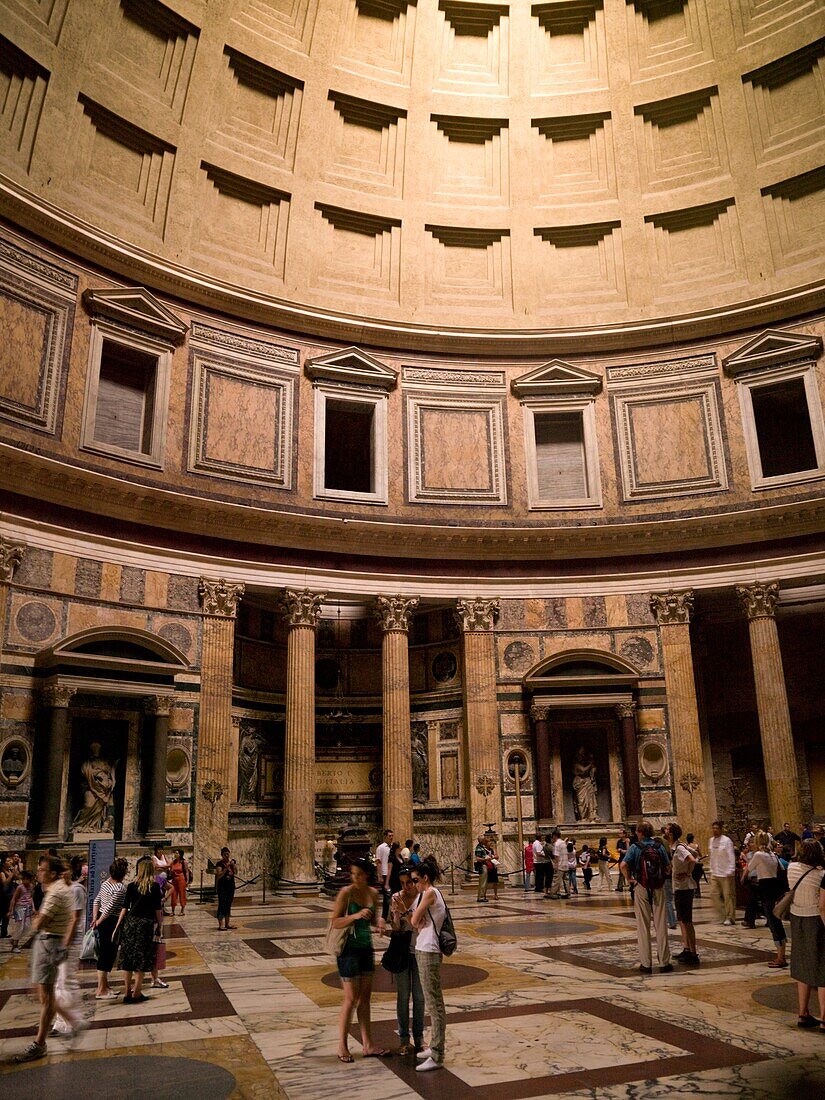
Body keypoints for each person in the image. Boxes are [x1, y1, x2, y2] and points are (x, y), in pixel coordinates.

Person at [14, 856, 78, 1062]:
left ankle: (40, 1043)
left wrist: (34, 925)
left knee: (47, 996)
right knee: (44, 994)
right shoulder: (59, 889)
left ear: (52, 873)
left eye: (42, 869)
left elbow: (41, 922)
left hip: (49, 942)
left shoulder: (56, 892)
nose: (38, 872)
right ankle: (69, 1022)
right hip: (51, 941)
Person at [330, 857, 388, 1062]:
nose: (356, 878)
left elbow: (372, 920)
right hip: (348, 950)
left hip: (366, 948)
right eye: (353, 874)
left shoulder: (373, 893)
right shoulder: (346, 893)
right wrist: (354, 916)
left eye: (359, 874)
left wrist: (379, 922)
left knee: (365, 999)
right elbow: (336, 922)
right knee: (351, 999)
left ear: (367, 875)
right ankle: (342, 1046)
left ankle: (368, 1044)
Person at [621, 821, 673, 975]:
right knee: (661, 923)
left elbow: (623, 865)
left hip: (641, 886)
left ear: (640, 832)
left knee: (643, 925)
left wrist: (629, 879)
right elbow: (668, 867)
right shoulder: (659, 847)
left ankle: (646, 963)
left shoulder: (635, 847)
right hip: (658, 886)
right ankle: (664, 962)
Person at [411, 857, 447, 1072]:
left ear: (425, 878)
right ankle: (433, 1046)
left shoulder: (430, 892)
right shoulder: (430, 893)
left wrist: (417, 918)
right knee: (430, 1001)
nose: (414, 884)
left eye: (416, 880)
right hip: (423, 948)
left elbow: (415, 921)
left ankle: (437, 1054)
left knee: (435, 1005)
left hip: (429, 950)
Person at [787, 839, 825, 1029]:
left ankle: (803, 1013)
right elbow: (822, 905)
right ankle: (824, 1016)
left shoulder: (791, 868)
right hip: (815, 919)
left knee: (802, 963)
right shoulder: (820, 874)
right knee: (822, 966)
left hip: (796, 917)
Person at [113, 857, 163, 1003]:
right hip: (144, 924)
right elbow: (157, 910)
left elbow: (124, 908)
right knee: (141, 958)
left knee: (128, 957)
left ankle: (127, 992)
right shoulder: (153, 887)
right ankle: (137, 992)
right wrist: (160, 926)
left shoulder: (131, 886)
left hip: (130, 923)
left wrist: (118, 925)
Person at [389, 866, 424, 1055]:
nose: (406, 887)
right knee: (403, 996)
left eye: (409, 882)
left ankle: (419, 1038)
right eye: (402, 883)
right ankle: (403, 1038)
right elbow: (395, 928)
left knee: (419, 997)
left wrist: (404, 911)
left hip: (419, 950)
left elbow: (418, 925)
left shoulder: (422, 897)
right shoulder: (396, 897)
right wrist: (396, 915)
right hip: (402, 952)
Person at [52, 856, 87, 1037]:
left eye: (65, 871)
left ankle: (73, 1020)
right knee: (59, 982)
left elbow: (75, 919)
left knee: (68, 979)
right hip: (60, 939)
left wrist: (65, 943)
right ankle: (61, 1021)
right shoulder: (60, 890)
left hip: (71, 940)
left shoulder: (76, 890)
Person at [744, 831, 787, 968]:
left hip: (766, 890)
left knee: (774, 923)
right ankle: (782, 954)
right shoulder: (772, 855)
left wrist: (743, 877)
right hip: (774, 889)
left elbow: (749, 869)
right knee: (776, 922)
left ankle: (781, 957)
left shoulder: (758, 855)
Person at [92, 857, 128, 999]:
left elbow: (97, 901)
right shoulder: (120, 888)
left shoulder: (106, 883)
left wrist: (95, 918)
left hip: (102, 919)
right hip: (110, 921)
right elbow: (109, 908)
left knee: (106, 952)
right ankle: (101, 989)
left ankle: (105, 986)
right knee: (107, 954)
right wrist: (99, 921)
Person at [668, 823, 699, 965]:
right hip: (680, 888)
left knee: (687, 921)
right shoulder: (676, 847)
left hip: (685, 888)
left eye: (667, 829)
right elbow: (696, 854)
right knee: (682, 920)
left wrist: (687, 873)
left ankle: (693, 953)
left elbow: (693, 859)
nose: (665, 831)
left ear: (672, 833)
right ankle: (687, 949)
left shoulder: (680, 848)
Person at [708, 821, 737, 925]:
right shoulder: (711, 841)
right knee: (713, 894)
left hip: (726, 873)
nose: (714, 830)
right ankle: (722, 915)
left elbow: (731, 856)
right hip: (715, 872)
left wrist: (731, 870)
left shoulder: (727, 841)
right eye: (713, 828)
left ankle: (730, 917)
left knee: (728, 896)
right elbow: (712, 856)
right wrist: (711, 870)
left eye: (717, 828)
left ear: (721, 829)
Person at [8, 869, 34, 952]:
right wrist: (11, 910)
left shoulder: (31, 886)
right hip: (19, 907)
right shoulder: (20, 887)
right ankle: (15, 945)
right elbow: (13, 899)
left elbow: (30, 897)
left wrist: (33, 907)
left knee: (27, 927)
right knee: (20, 926)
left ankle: (13, 938)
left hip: (27, 908)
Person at [215, 846, 237, 930]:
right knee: (222, 904)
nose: (227, 856)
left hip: (230, 886)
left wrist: (233, 865)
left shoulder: (231, 863)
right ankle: (221, 924)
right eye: (225, 854)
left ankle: (227, 923)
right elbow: (219, 875)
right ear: (222, 855)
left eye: (228, 854)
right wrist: (225, 868)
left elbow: (235, 872)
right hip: (222, 887)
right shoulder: (219, 864)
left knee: (228, 904)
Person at [376, 829, 393, 921]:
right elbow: (378, 862)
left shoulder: (393, 848)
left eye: (392, 836)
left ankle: (392, 915)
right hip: (385, 873)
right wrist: (380, 875)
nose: (391, 837)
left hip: (392, 874)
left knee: (393, 896)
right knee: (386, 897)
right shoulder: (381, 848)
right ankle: (384, 916)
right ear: (385, 836)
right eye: (389, 836)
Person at [169, 848, 190, 916]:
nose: (175, 854)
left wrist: (187, 880)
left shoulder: (184, 862)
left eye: (177, 853)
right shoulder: (173, 862)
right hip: (174, 879)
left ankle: (182, 910)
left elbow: (186, 872)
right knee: (173, 894)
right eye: (175, 853)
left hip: (181, 879)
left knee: (182, 894)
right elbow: (170, 870)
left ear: (180, 854)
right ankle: (173, 910)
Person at [550, 830, 570, 899]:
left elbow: (556, 856)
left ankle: (553, 893)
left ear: (555, 836)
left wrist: (555, 865)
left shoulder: (557, 844)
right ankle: (568, 893)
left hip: (560, 865)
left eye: (552, 837)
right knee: (566, 880)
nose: (552, 838)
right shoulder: (563, 843)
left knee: (556, 880)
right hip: (566, 864)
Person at [474, 835, 490, 903]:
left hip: (485, 864)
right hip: (482, 865)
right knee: (482, 882)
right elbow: (477, 858)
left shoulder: (482, 847)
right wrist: (485, 859)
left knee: (484, 882)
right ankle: (481, 897)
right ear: (481, 841)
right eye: (484, 840)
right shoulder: (478, 848)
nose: (485, 841)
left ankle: (483, 895)